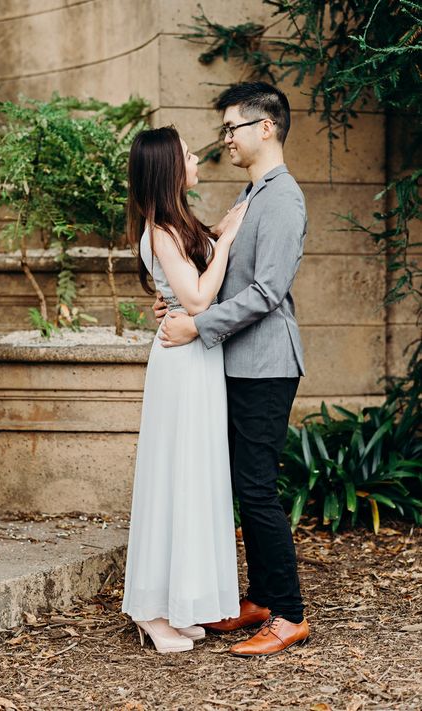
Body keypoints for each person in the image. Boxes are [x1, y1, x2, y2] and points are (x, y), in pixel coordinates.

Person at [155, 82, 310, 657]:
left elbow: (269, 290)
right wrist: (181, 302)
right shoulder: (254, 193)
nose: (226, 139)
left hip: (266, 363)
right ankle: (263, 598)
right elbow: (223, 276)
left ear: (265, 127)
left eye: (232, 128)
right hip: (237, 361)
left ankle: (289, 614)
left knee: (257, 488)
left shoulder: (283, 198)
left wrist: (198, 325)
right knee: (241, 485)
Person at [121, 126, 248, 653]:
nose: (197, 158)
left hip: (195, 361)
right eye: (189, 154)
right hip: (181, 363)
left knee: (192, 475)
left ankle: (178, 602)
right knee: (174, 474)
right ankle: (150, 611)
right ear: (170, 168)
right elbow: (197, 301)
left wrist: (217, 233)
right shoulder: (160, 232)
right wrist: (228, 244)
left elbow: (183, 287)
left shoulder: (177, 226)